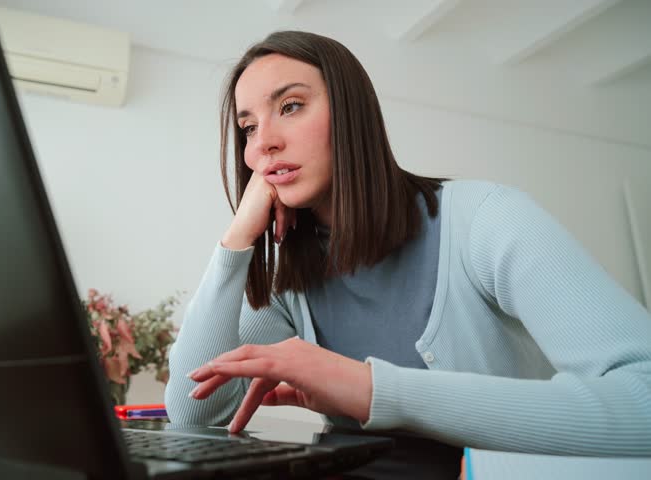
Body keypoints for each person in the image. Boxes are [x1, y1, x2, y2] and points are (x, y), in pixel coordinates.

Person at [163, 30, 651, 457]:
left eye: (290, 106)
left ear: (352, 114)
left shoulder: (486, 218)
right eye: (248, 127)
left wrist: (371, 390)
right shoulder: (292, 281)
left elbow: (642, 396)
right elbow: (191, 414)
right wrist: (236, 242)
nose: (262, 143)